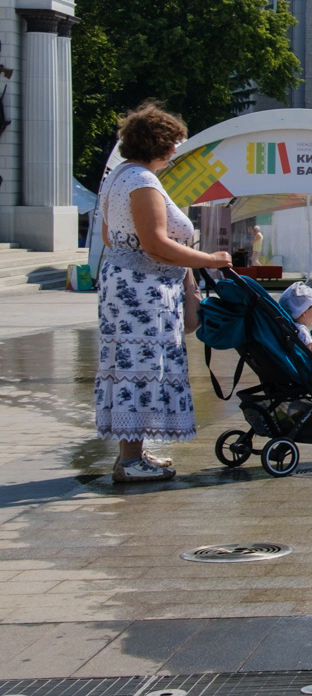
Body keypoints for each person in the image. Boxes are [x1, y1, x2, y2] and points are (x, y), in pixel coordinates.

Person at [94, 104, 234, 483]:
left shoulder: (119, 177)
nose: (176, 149)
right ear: (157, 142)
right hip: (141, 293)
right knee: (140, 368)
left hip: (127, 285)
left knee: (131, 368)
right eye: (173, 142)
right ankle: (129, 461)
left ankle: (133, 453)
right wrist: (209, 258)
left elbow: (111, 237)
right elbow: (155, 243)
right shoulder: (141, 181)